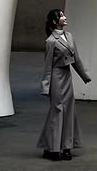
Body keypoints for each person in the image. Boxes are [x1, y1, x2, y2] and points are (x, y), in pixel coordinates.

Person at [37, 10, 91, 161]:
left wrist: (84, 76)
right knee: (57, 111)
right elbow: (47, 66)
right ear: (55, 22)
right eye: (61, 16)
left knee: (69, 112)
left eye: (63, 14)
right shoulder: (51, 41)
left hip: (67, 77)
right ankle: (53, 149)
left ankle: (67, 148)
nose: (64, 17)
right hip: (56, 77)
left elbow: (76, 59)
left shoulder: (69, 36)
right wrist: (46, 86)